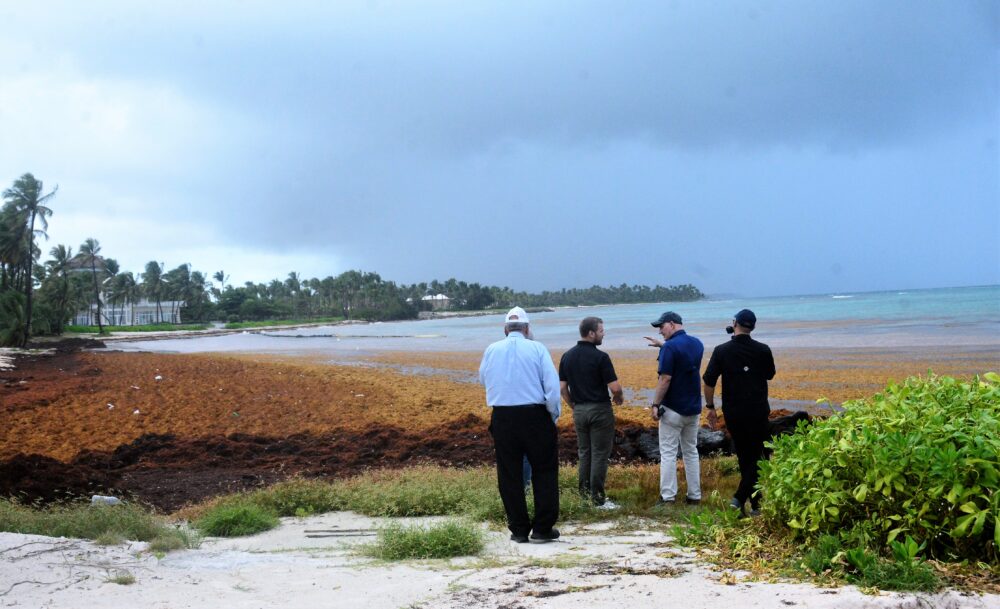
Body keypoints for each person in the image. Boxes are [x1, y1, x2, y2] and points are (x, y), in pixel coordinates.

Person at [479, 306, 562, 543]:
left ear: (505, 329)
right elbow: (552, 388)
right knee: (544, 470)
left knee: (509, 473)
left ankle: (518, 528)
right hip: (534, 416)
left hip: (503, 417)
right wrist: (552, 416)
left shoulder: (492, 349)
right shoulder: (537, 348)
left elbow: (483, 378)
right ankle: (542, 528)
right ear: (526, 328)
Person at [702, 309, 776, 516]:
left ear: (734, 323)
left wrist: (710, 407)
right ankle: (746, 502)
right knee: (758, 455)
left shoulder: (722, 350)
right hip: (758, 409)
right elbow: (770, 374)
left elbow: (708, 381)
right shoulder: (763, 350)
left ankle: (747, 502)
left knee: (746, 455)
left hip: (734, 411)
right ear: (753, 327)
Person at [559, 316, 624, 509]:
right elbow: (615, 387)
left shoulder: (567, 356)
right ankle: (598, 500)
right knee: (600, 454)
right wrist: (619, 397)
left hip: (579, 410)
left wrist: (573, 406)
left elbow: (563, 388)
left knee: (584, 453)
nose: (604, 334)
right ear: (591, 333)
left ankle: (584, 497)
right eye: (602, 331)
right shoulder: (600, 357)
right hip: (599, 410)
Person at [643, 311, 705, 506]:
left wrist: (655, 404)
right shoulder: (697, 343)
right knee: (691, 451)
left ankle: (668, 496)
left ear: (671, 324)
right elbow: (684, 357)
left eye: (661, 326)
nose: (660, 331)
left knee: (669, 453)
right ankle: (694, 495)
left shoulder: (670, 348)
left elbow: (665, 378)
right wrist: (663, 346)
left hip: (673, 408)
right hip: (693, 407)